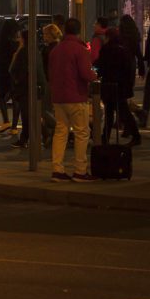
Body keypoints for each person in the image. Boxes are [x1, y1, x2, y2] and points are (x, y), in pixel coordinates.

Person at [47, 18, 98, 182]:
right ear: (78, 30)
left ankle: (57, 169)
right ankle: (80, 170)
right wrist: (94, 76)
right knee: (82, 132)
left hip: (58, 97)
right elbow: (85, 73)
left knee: (60, 132)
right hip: (76, 96)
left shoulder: (55, 50)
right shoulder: (79, 49)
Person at [96, 27, 141, 145]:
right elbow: (127, 69)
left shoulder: (106, 49)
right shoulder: (123, 50)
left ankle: (106, 137)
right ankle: (134, 135)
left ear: (108, 37)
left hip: (109, 85)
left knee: (110, 113)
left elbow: (101, 68)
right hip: (121, 86)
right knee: (124, 112)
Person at [10, 29, 52, 149]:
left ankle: (44, 133)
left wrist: (17, 81)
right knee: (30, 113)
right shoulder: (35, 51)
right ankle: (26, 138)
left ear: (23, 39)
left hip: (26, 87)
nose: (18, 40)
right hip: (35, 85)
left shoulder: (24, 51)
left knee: (28, 114)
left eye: (20, 37)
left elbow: (15, 70)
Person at [0, 19, 20, 133]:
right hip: (12, 73)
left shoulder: (0, 44)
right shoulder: (16, 44)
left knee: (1, 97)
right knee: (15, 99)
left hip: (0, 72)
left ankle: (6, 121)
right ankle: (14, 126)